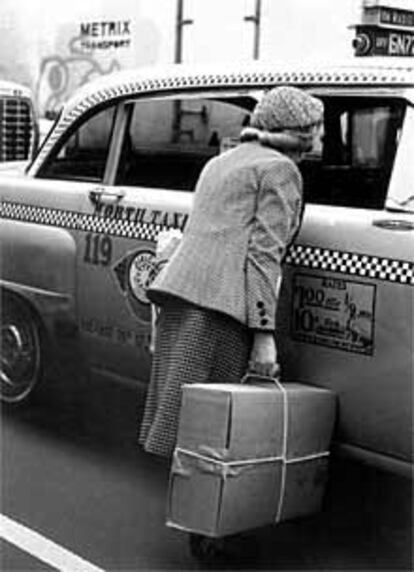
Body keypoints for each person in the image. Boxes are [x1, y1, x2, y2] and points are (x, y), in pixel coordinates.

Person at [139, 86, 324, 459]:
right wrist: (263, 334)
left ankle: (186, 499)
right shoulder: (280, 170)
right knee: (211, 428)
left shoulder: (222, 161)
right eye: (318, 126)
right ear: (299, 130)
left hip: (180, 299)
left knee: (179, 414)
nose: (323, 134)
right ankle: (202, 505)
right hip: (219, 312)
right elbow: (263, 255)